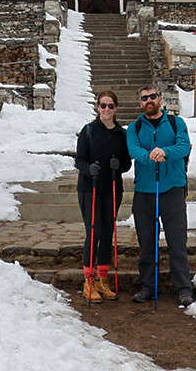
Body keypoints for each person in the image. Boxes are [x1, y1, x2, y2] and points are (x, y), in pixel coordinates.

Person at [126, 84, 194, 306]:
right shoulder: (134, 127)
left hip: (172, 189)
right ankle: (148, 285)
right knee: (147, 241)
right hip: (145, 190)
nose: (149, 101)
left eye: (152, 96)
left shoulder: (176, 123)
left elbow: (184, 147)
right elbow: (133, 150)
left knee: (177, 240)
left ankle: (183, 287)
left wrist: (166, 152)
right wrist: (150, 157)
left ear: (160, 98)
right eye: (144, 98)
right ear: (140, 103)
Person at [75, 90, 131, 302]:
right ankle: (88, 281)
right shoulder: (88, 131)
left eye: (110, 106)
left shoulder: (122, 134)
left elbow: (127, 163)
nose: (106, 109)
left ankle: (102, 280)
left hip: (113, 188)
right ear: (97, 107)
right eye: (102, 105)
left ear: (116, 108)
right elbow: (79, 160)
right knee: (94, 232)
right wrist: (89, 168)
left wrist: (120, 166)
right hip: (91, 188)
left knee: (108, 232)